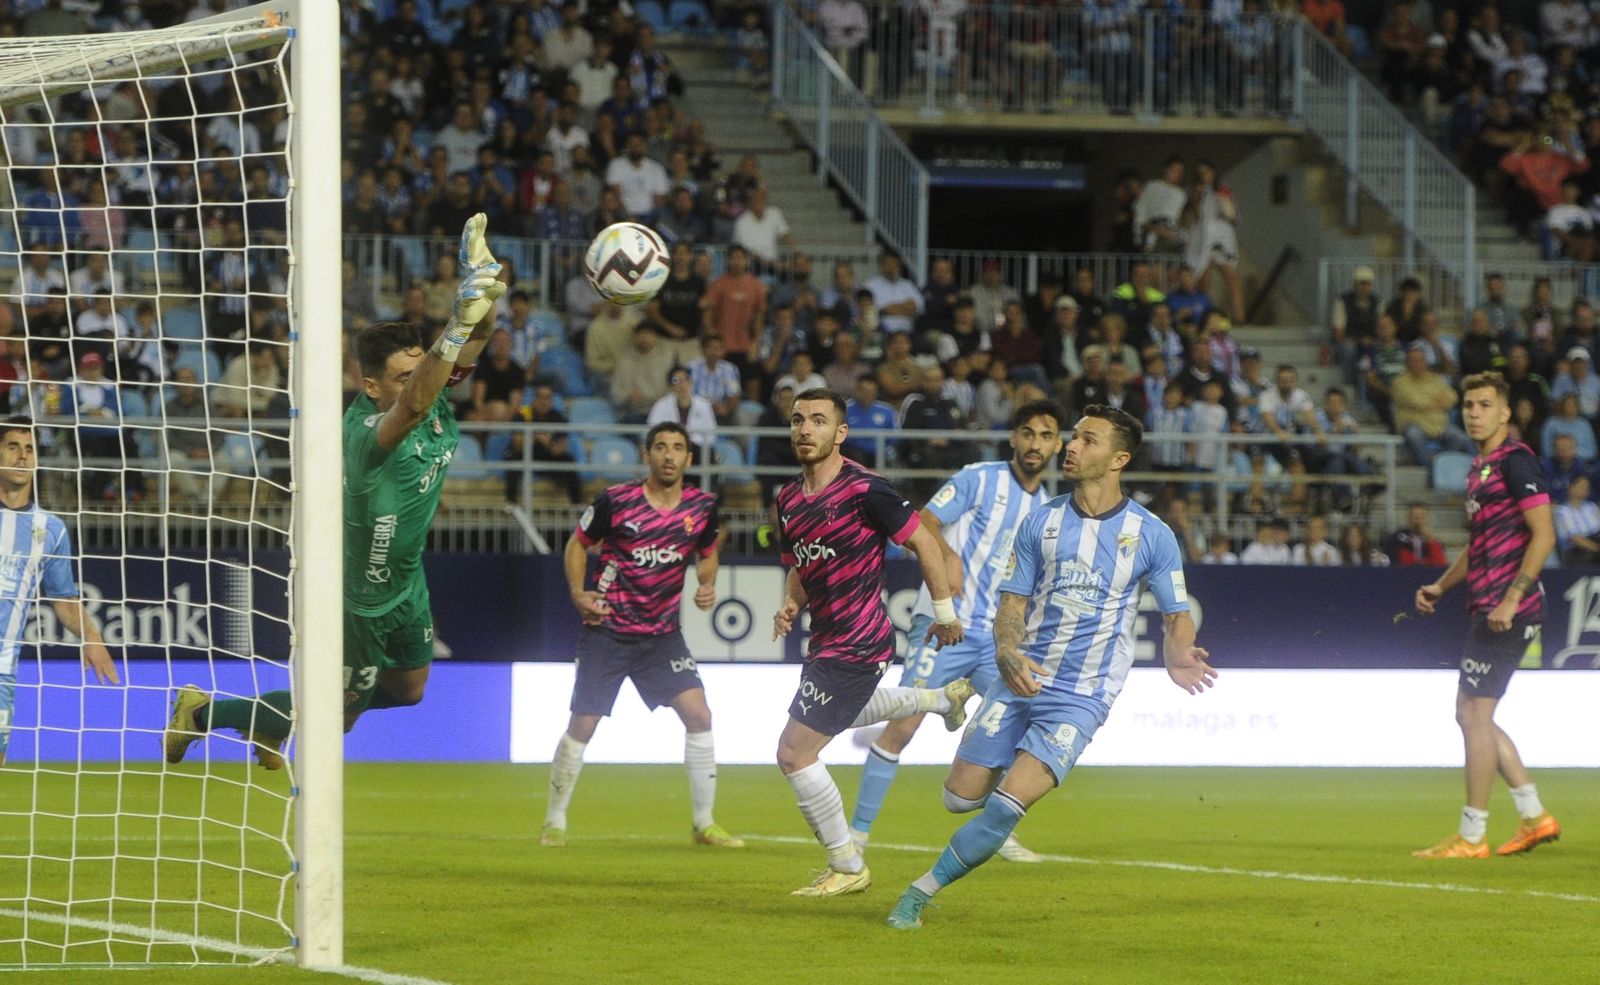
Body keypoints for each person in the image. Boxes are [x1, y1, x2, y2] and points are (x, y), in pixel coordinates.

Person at [163, 215, 506, 765]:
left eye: (421, 369)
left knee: (410, 691)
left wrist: (482, 285)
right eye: (401, 376)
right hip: (361, 597)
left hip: (407, 580)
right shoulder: (366, 431)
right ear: (370, 385)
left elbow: (477, 339)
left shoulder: (433, 392)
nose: (421, 381)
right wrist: (455, 329)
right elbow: (415, 400)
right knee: (337, 716)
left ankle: (268, 725)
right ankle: (201, 714)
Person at [884, 405, 1216, 929]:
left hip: (1082, 695)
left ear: (1118, 459)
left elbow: (1178, 615)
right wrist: (1006, 653)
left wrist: (1179, 653)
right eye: (1075, 437)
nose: (1071, 446)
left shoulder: (1151, 534)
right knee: (957, 798)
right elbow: (1011, 606)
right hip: (1022, 677)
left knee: (1004, 809)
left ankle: (918, 894)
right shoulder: (1040, 522)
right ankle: (1000, 758)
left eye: (1087, 440)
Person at [771, 388, 975, 896]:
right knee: (838, 718)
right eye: (798, 420)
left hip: (860, 642)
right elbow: (801, 560)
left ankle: (847, 864)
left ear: (840, 433)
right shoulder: (788, 498)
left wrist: (945, 612)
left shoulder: (867, 490)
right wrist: (792, 602)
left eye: (818, 421)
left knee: (795, 752)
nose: (805, 429)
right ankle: (937, 699)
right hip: (826, 640)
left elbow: (925, 543)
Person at [849, 400, 1067, 862]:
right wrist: (949, 559)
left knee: (1018, 715)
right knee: (902, 727)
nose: (1035, 444)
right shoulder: (979, 477)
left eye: (1045, 436)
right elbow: (924, 521)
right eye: (1027, 433)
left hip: (995, 638)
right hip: (944, 622)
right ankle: (857, 836)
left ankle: (996, 828)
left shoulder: (1047, 508)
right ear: (1013, 438)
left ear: (1057, 444)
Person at [541, 422, 742, 848]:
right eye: (661, 447)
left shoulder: (702, 508)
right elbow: (577, 544)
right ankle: (554, 821)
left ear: (689, 459)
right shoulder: (616, 502)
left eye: (678, 448)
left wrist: (707, 583)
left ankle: (704, 823)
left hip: (662, 636)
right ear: (647, 455)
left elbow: (708, 552)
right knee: (584, 723)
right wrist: (578, 593)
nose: (669, 455)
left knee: (700, 714)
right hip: (608, 630)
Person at [1412, 372, 1561, 858]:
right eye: (1469, 404)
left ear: (1505, 412)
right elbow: (1479, 546)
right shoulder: (1481, 469)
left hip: (1508, 608)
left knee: (1474, 714)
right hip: (1488, 602)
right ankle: (1534, 815)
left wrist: (1513, 598)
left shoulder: (1517, 462)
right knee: (1471, 713)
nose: (1473, 412)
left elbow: (1544, 535)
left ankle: (1472, 835)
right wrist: (1441, 583)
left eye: (1484, 404)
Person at [0, 416, 119, 765]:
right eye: (12, 447)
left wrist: (92, 639)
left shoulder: (50, 529)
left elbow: (64, 601)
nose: (23, 457)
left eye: (30, 450)